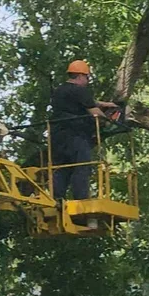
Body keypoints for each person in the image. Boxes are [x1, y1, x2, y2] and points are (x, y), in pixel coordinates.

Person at [49, 60, 117, 202]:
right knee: (82, 166)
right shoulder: (80, 90)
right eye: (87, 78)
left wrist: (103, 103)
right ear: (80, 76)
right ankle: (82, 200)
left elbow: (82, 101)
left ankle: (56, 198)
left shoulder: (59, 91)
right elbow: (95, 113)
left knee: (62, 168)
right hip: (76, 135)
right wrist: (110, 118)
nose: (87, 81)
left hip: (57, 136)